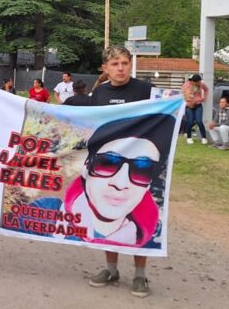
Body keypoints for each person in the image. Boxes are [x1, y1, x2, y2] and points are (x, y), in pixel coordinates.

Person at [85, 45, 156, 298]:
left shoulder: (146, 90)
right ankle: (111, 269)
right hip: (109, 169)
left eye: (125, 63)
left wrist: (189, 97)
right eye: (115, 64)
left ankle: (140, 275)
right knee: (109, 217)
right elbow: (91, 128)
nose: (121, 68)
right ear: (105, 68)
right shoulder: (99, 94)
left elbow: (172, 107)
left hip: (139, 170)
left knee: (140, 218)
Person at [63, 114, 175, 246]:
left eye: (142, 169)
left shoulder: (155, 238)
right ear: (86, 168)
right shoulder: (47, 212)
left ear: (148, 184)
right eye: (107, 164)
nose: (120, 184)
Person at [181, 74, 209, 145]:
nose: (199, 83)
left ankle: (204, 138)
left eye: (199, 82)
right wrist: (187, 103)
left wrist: (203, 98)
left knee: (199, 121)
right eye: (197, 82)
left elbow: (206, 89)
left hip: (198, 105)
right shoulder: (186, 85)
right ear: (193, 81)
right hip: (189, 106)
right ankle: (189, 137)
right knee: (190, 121)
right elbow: (183, 95)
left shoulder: (201, 84)